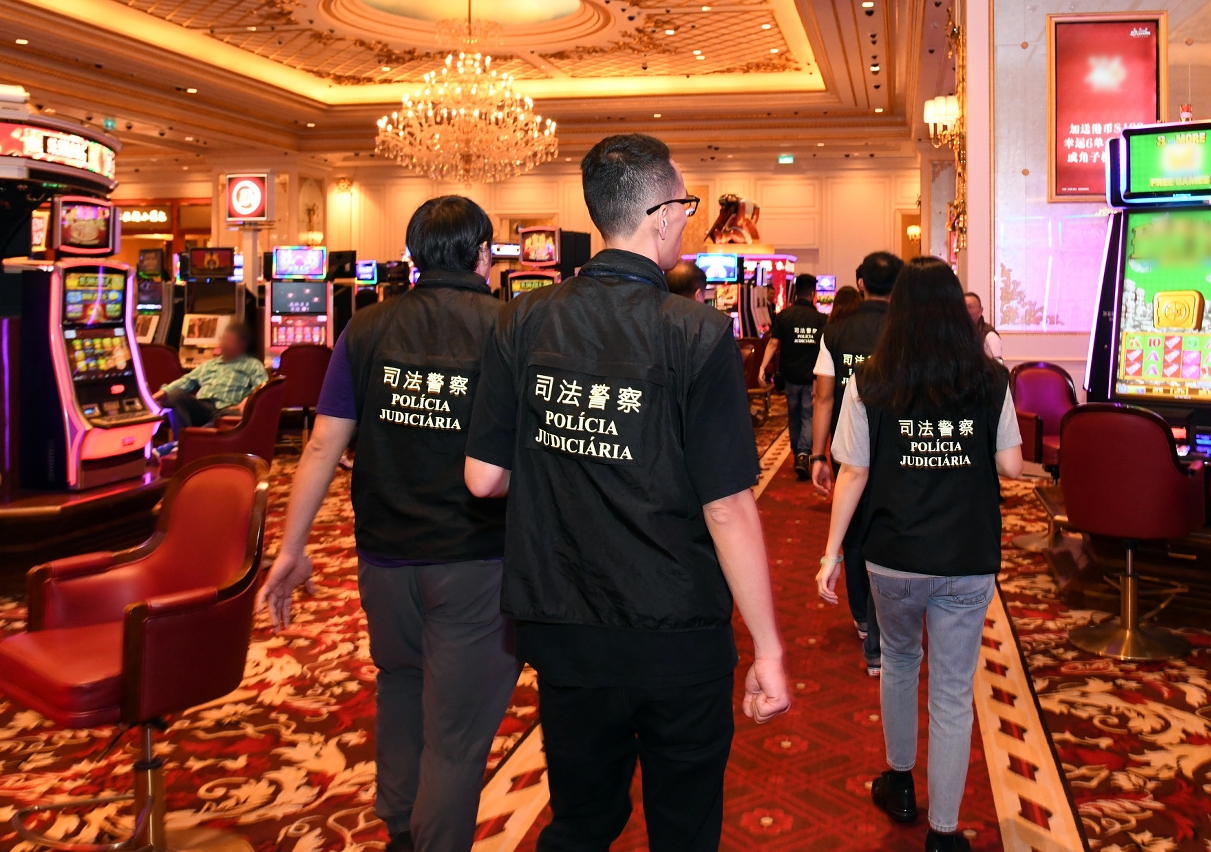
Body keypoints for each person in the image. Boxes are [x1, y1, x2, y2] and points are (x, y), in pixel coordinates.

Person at [464, 133, 790, 852]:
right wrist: (768, 647)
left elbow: (483, 478)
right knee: (684, 827)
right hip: (676, 629)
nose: (687, 221)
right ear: (662, 214)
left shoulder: (522, 318)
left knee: (582, 822)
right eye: (686, 207)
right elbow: (727, 506)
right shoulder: (698, 331)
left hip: (566, 627)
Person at [257, 196, 519, 852]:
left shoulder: (367, 326)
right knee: (456, 739)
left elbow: (322, 445)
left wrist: (291, 548)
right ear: (483, 254)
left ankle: (400, 831)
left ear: (413, 256)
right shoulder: (509, 326)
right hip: (475, 562)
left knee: (400, 688)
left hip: (383, 558)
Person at [817, 257, 1023, 852]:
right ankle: (945, 833)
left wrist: (831, 555)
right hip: (966, 553)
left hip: (893, 553)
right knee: (954, 692)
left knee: (901, 662)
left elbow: (853, 472)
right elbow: (1010, 465)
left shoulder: (872, 380)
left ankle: (901, 785)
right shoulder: (988, 379)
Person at [810, 251, 903, 676]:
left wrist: (818, 453)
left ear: (861, 283)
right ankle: (889, 618)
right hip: (900, 448)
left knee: (853, 529)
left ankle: (864, 616)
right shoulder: (906, 330)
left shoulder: (836, 331)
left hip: (849, 447)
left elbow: (823, 397)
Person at [759, 274, 825, 479]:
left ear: (795, 293)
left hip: (789, 376)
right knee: (808, 415)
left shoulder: (784, 316)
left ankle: (798, 453)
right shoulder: (821, 319)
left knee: (793, 415)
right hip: (812, 378)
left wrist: (762, 367)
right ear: (813, 294)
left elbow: (773, 343)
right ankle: (803, 455)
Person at [154, 321, 266, 436]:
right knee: (175, 395)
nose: (223, 343)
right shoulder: (209, 365)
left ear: (241, 344)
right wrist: (161, 393)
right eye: (223, 339)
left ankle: (191, 439)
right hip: (202, 408)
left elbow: (263, 390)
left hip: (228, 409)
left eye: (229, 340)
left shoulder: (253, 365)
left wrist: (246, 402)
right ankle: (183, 438)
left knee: (232, 417)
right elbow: (186, 381)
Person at [964, 291, 1003, 362]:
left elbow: (998, 364)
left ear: (980, 310)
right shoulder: (956, 333)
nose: (965, 311)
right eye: (963, 307)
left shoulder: (990, 336)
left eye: (970, 307)